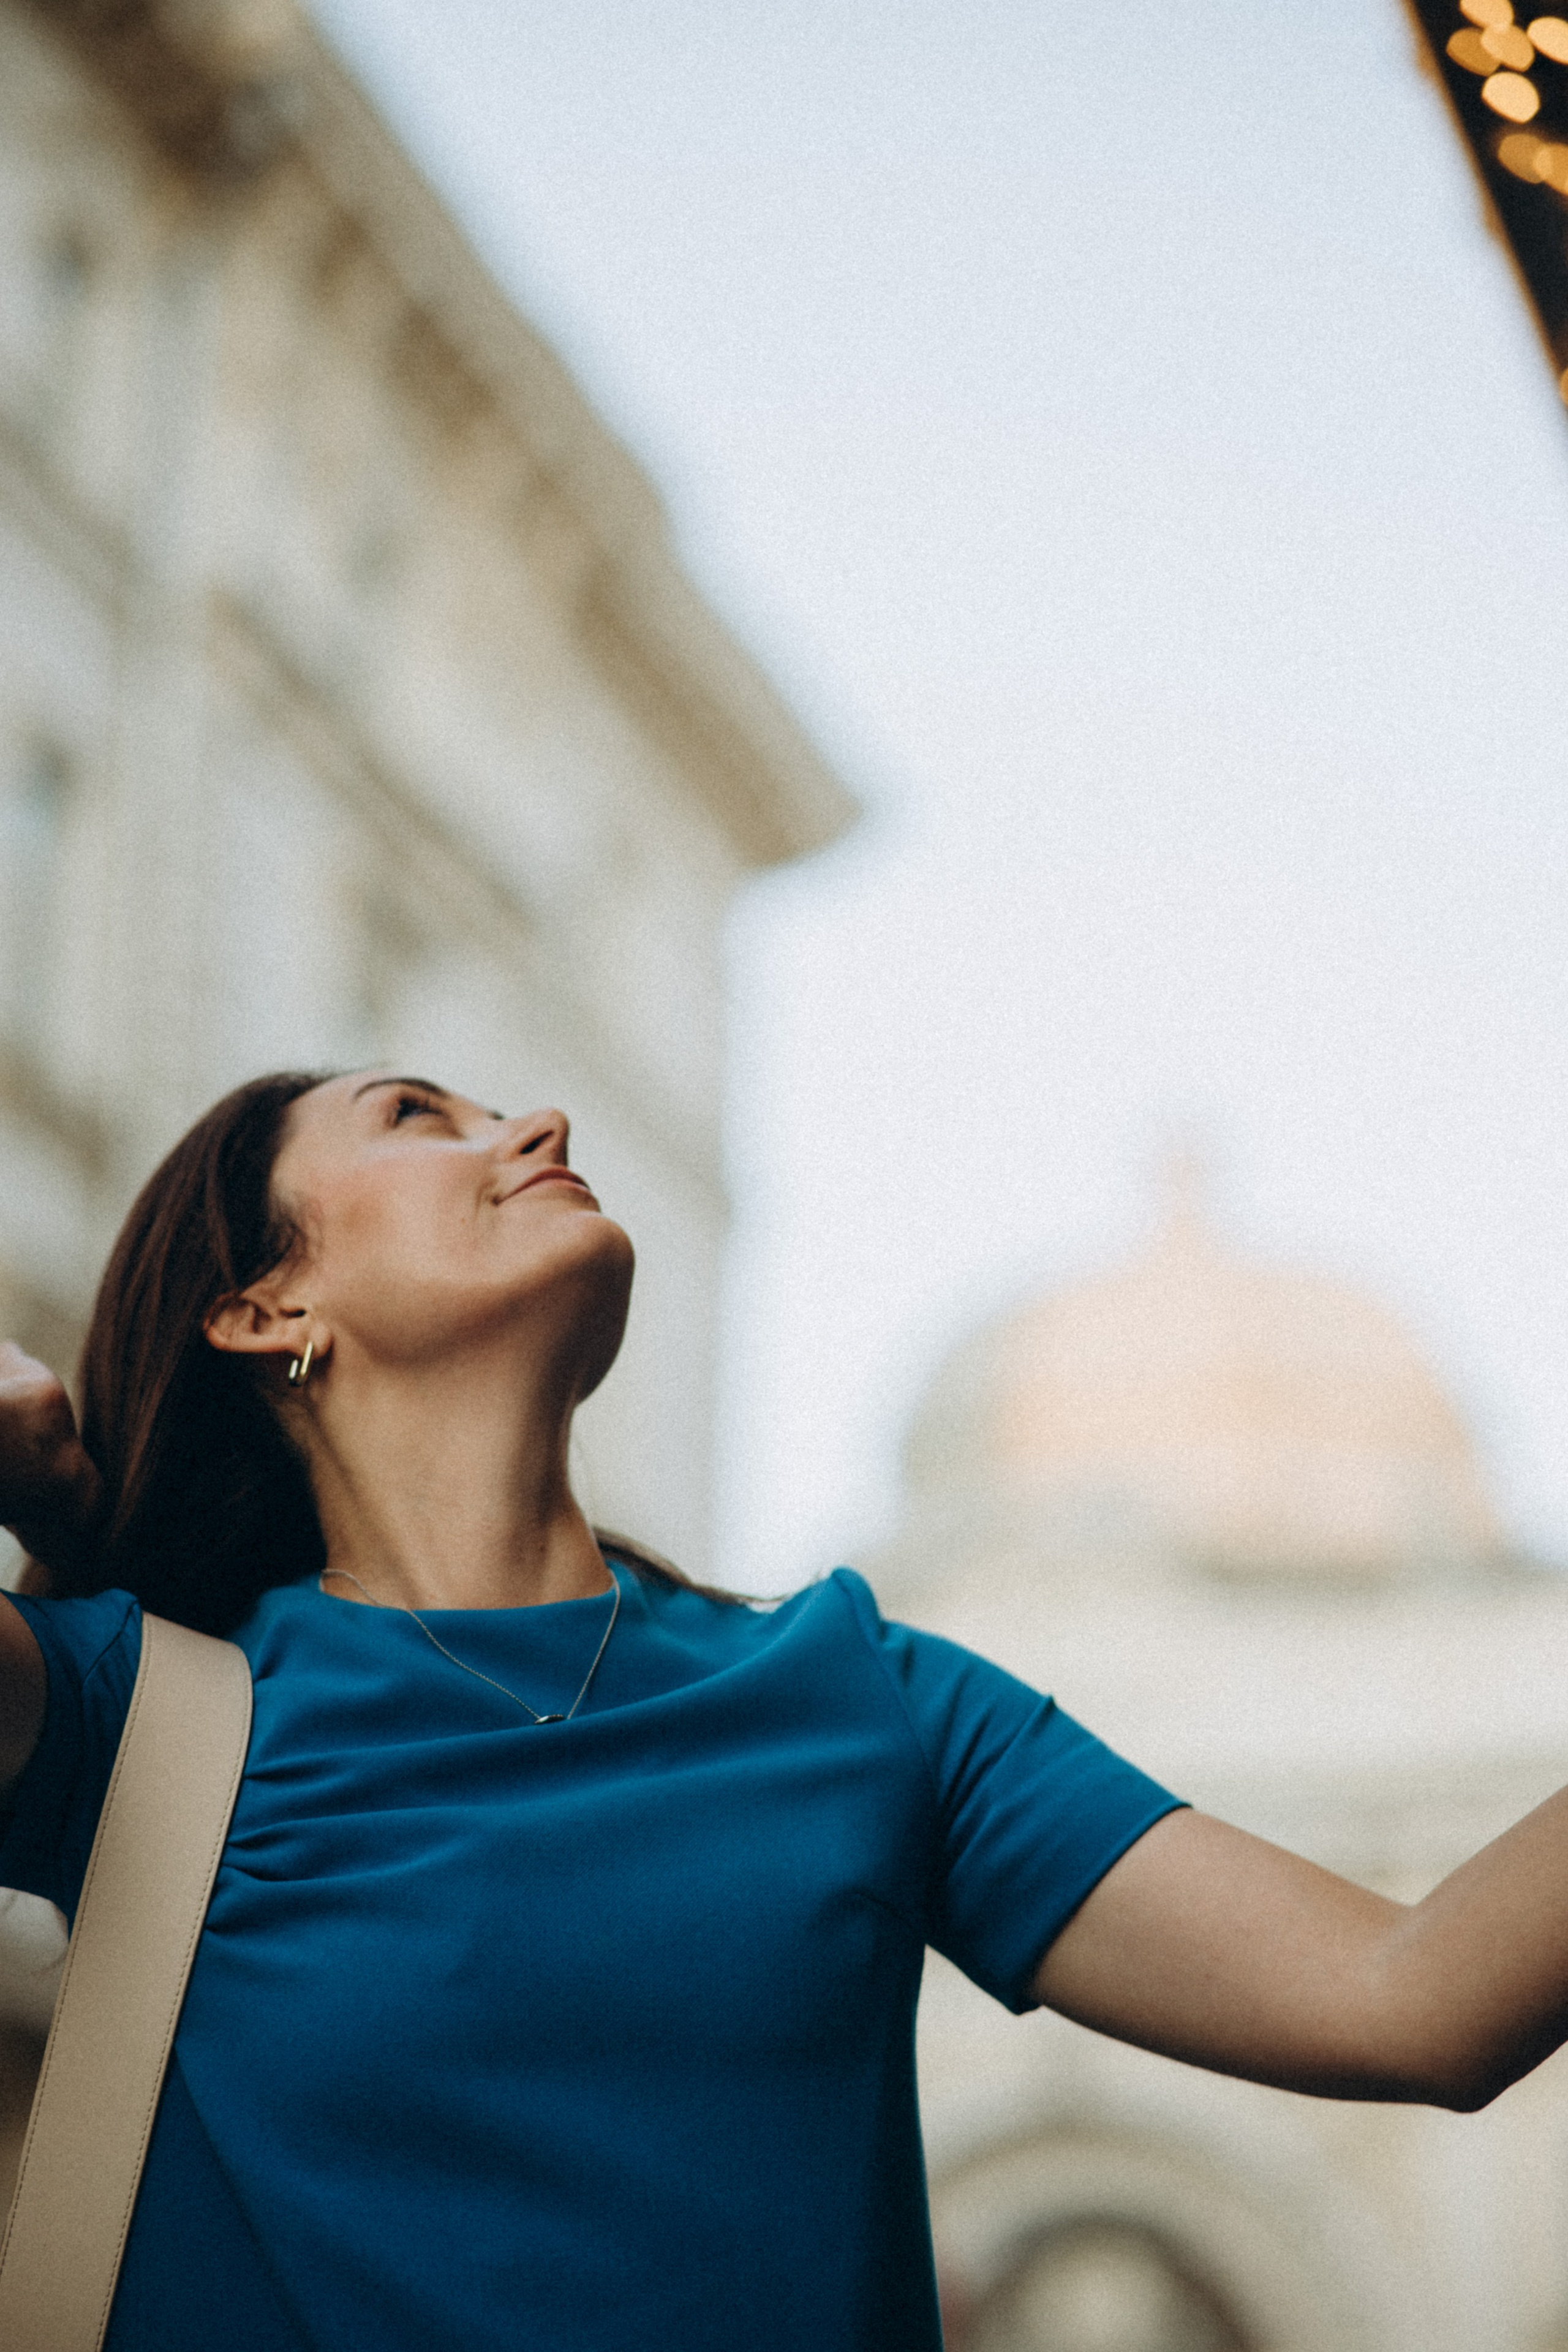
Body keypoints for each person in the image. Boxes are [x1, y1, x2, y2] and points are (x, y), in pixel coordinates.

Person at [0, 1068, 1565, 2352]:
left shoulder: (866, 1698)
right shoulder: (135, 1708)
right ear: (262, 1307)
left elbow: (1407, 1999)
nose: (535, 1124)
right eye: (420, 1117)